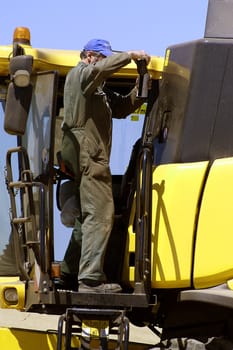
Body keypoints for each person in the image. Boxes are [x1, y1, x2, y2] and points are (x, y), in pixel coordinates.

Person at [59, 38, 150, 293]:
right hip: (91, 157)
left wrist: (141, 80)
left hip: (91, 157)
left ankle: (69, 272)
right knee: (101, 213)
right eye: (103, 57)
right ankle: (90, 280)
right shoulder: (80, 76)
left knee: (88, 216)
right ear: (89, 56)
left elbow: (122, 108)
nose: (105, 62)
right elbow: (98, 71)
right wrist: (129, 55)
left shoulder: (97, 90)